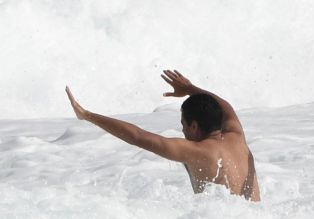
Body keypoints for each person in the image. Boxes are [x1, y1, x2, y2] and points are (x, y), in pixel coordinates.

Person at [65, 69, 260, 200]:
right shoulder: (236, 134)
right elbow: (224, 105)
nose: (182, 130)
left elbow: (137, 136)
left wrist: (87, 115)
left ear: (193, 126)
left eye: (183, 125)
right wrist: (190, 89)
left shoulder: (197, 151)